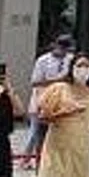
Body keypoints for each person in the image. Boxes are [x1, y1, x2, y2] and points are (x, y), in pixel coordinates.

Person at [26, 35, 74, 164]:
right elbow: (35, 82)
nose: (63, 51)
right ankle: (30, 159)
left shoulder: (71, 60)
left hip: (62, 103)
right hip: (43, 102)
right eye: (61, 47)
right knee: (36, 134)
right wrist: (58, 80)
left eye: (66, 48)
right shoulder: (43, 60)